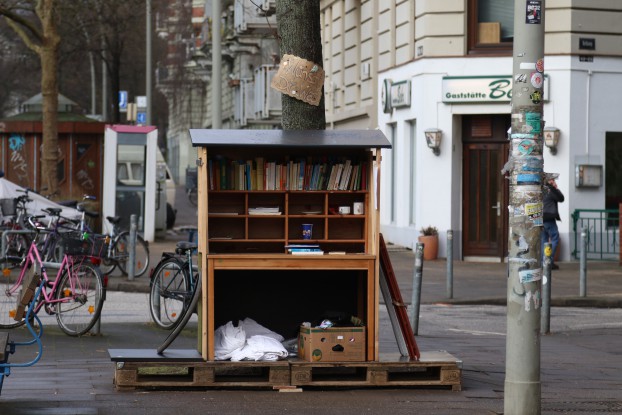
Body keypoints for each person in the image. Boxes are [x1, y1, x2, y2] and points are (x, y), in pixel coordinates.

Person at [542, 174, 564, 270]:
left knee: (544, 240)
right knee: (555, 238)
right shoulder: (550, 190)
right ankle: (548, 260)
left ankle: (544, 261)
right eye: (552, 180)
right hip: (549, 218)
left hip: (541, 218)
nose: (554, 182)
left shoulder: (540, 189)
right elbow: (561, 198)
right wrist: (555, 188)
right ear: (549, 181)